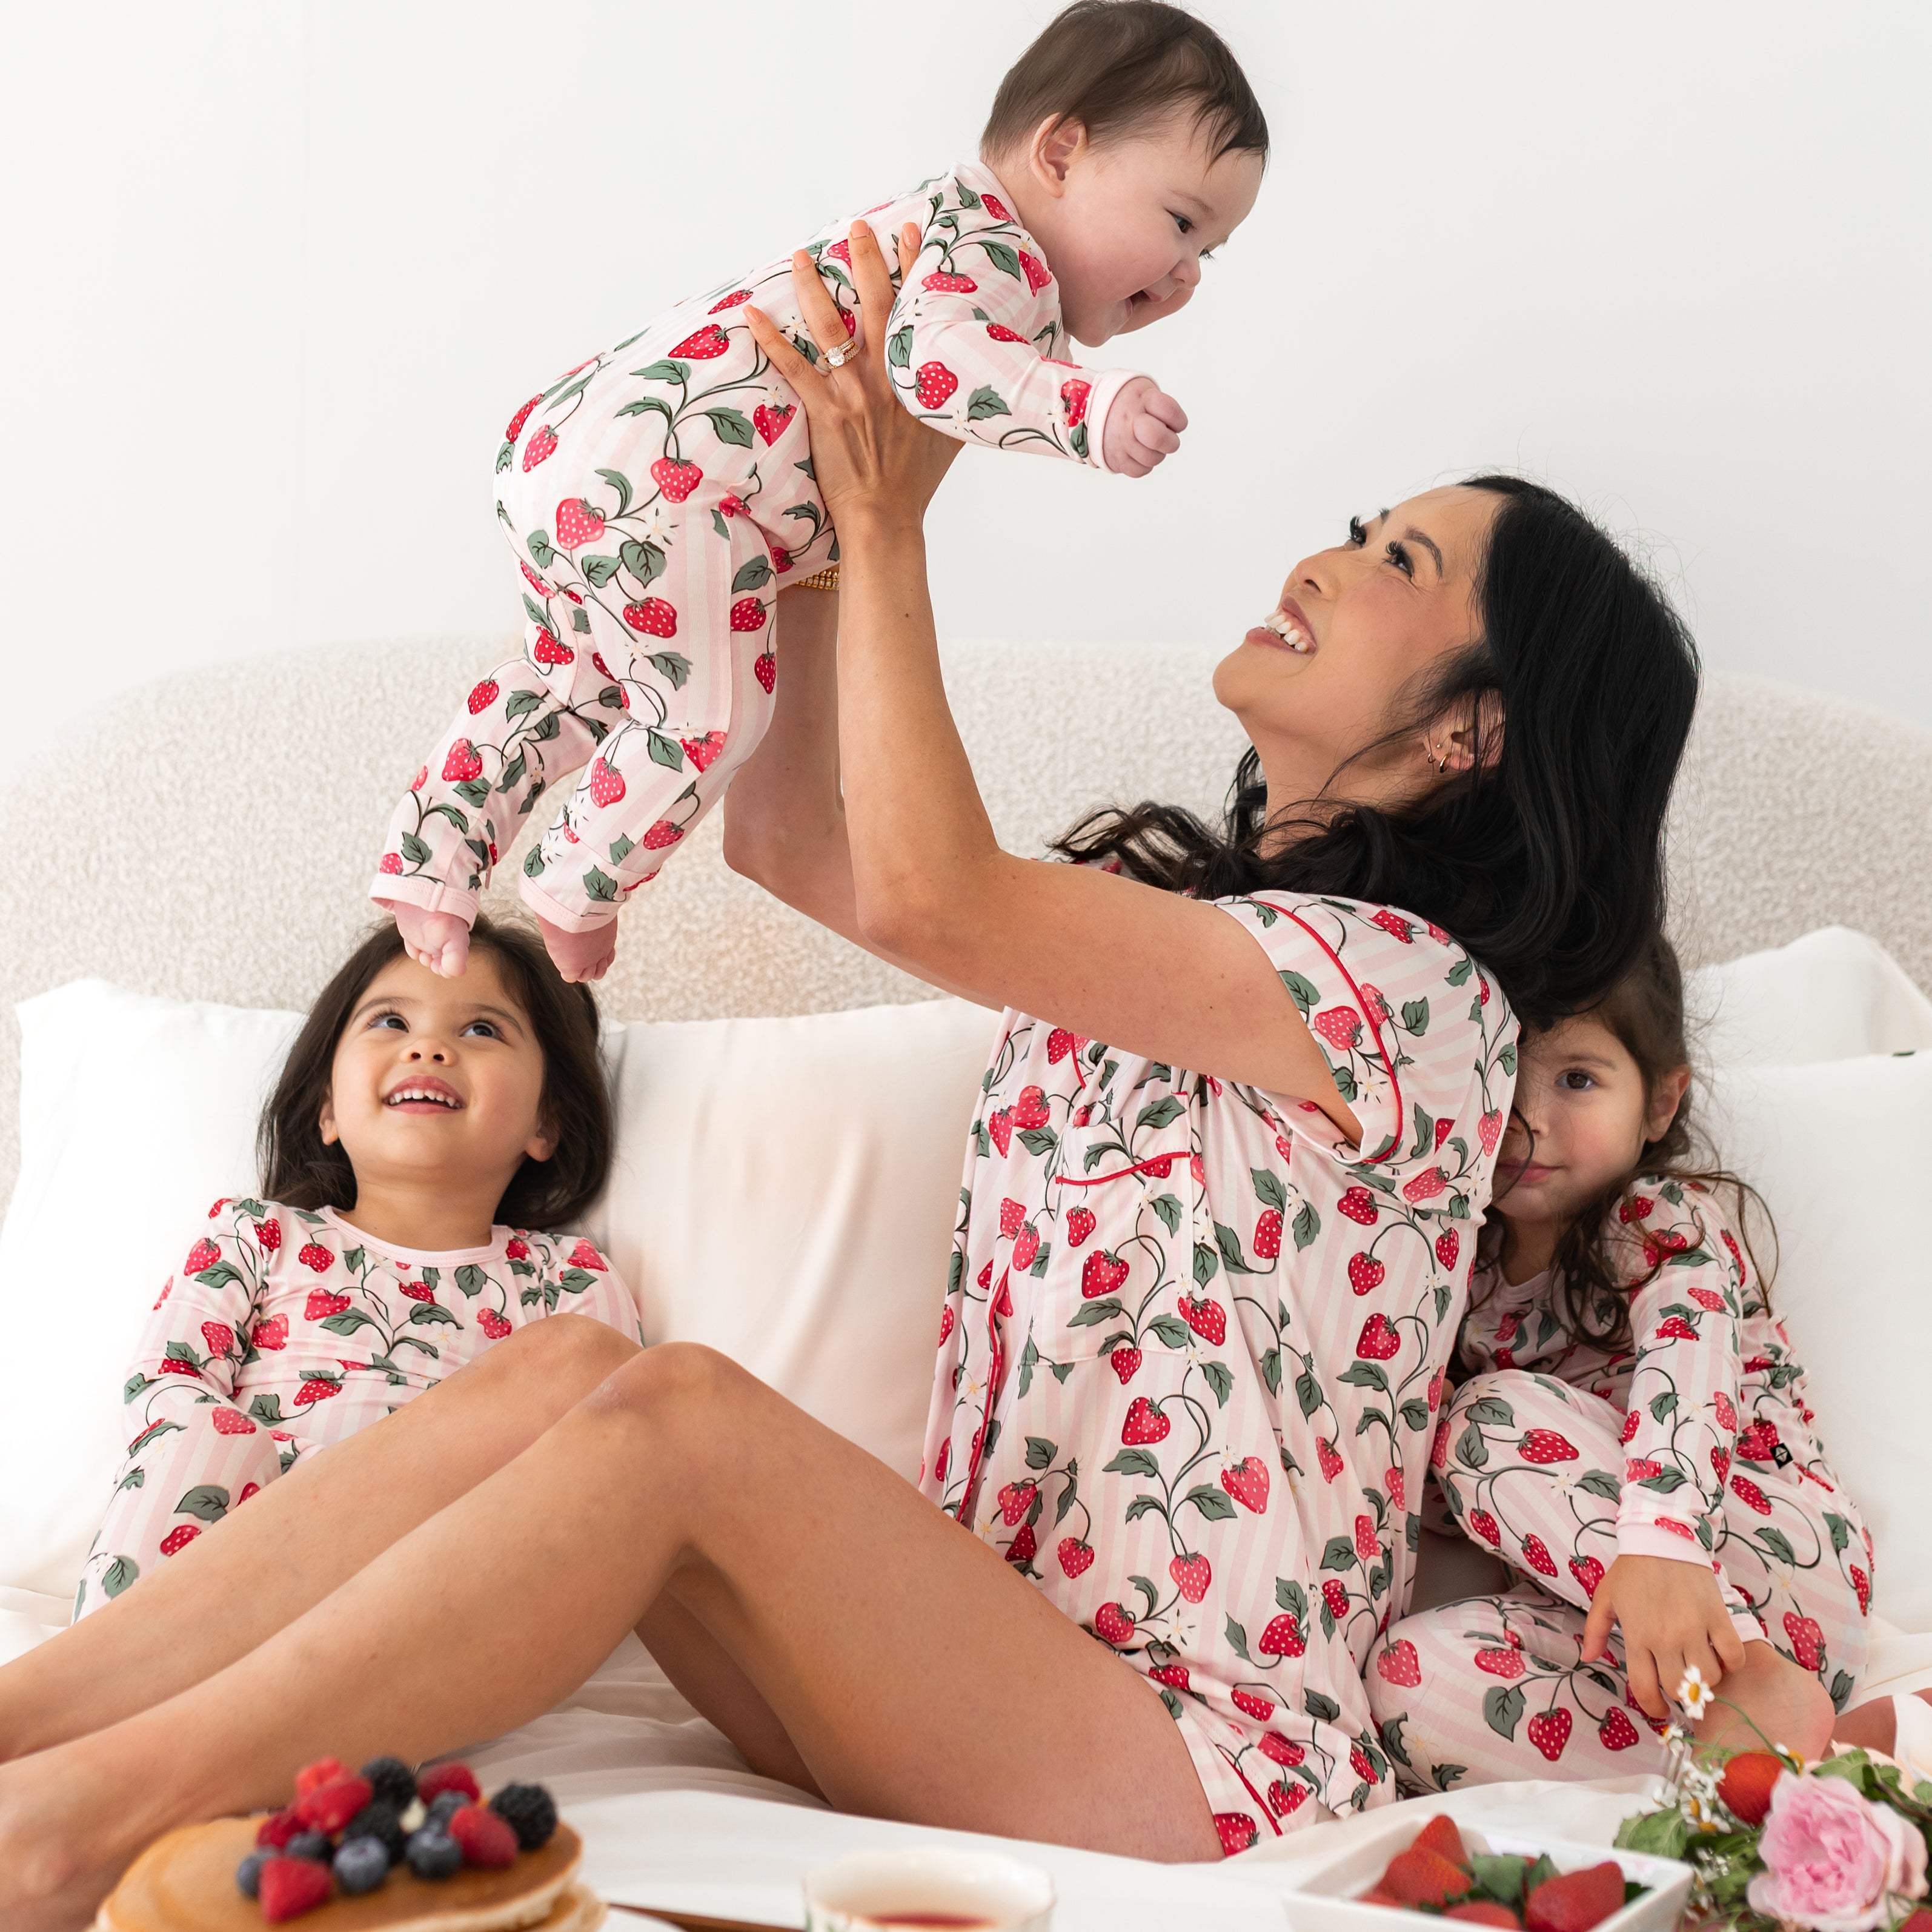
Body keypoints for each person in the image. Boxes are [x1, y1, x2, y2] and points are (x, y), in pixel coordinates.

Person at [0, 218, 1698, 1922]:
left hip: (1193, 1765)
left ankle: (70, 1832)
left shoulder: (1419, 998)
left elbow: (925, 890)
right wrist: (805, 517)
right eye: (1356, 526)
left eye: (1397, 562)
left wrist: (893, 515)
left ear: (1470, 729)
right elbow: (799, 843)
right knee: (558, 1369)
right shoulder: (1180, 939)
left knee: (677, 1411)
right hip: (966, 1660)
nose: (1325, 560)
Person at [371, 0, 1267, 989]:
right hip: (674, 489)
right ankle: (573, 881)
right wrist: (1090, 411)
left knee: (568, 683)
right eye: (1180, 222)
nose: (1186, 273)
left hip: (572, 449)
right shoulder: (995, 250)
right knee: (707, 718)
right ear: (1060, 153)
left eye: (1209, 251)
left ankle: (429, 858)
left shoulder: (943, 229)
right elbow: (934, 365)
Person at [1365, 933, 1868, 1790]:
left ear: (1660, 1103)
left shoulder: (1657, 1220)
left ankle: (1748, 1679)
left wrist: (1666, 1539)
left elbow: (1689, 1358)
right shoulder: (1454, 1272)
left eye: (1576, 1079)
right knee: (1401, 1682)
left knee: (1487, 1421)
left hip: (1775, 1565)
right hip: (1638, 1640)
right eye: (1500, 1072)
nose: (1527, 1118)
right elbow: (1468, 1506)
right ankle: (1746, 1762)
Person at [74, 915, 641, 1618]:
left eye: (482, 1030)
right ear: (327, 1109)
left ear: (545, 1123)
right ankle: (112, 1664)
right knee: (199, 1440)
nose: (428, 1048)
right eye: (390, 1022)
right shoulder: (255, 1235)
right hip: (235, 1551)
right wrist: (308, 1486)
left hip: (431, 1577)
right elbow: (166, 1383)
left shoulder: (566, 1278)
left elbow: (608, 1458)